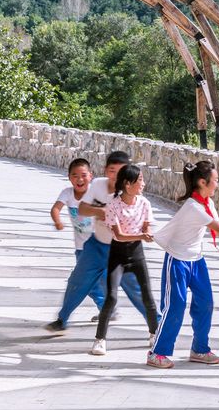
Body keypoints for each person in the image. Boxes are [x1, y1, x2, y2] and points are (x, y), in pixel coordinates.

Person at [148, 159, 219, 369]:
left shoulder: (206, 202)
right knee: (175, 306)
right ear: (202, 182)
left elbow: (218, 227)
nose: (218, 184)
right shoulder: (193, 207)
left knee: (206, 304)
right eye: (215, 180)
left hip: (197, 261)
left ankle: (200, 349)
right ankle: (158, 352)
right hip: (178, 261)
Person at [45, 151, 148, 332]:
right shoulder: (98, 185)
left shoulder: (132, 194)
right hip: (96, 245)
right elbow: (83, 209)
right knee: (77, 282)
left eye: (121, 171)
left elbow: (140, 224)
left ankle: (157, 324)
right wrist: (101, 212)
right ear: (105, 170)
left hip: (123, 249)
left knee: (137, 291)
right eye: (111, 170)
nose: (115, 175)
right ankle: (62, 319)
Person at [90, 164, 159, 356]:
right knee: (111, 297)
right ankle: (100, 340)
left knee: (148, 297)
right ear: (128, 184)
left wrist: (148, 234)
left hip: (137, 254)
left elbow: (147, 227)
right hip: (118, 255)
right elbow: (119, 235)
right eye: (140, 180)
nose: (143, 184)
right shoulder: (113, 205)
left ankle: (154, 334)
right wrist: (141, 236)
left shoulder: (144, 203)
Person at [49, 158, 105, 318]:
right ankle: (106, 308)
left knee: (93, 281)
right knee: (91, 283)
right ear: (69, 177)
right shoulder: (67, 193)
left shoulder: (95, 194)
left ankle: (105, 307)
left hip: (99, 245)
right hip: (81, 249)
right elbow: (55, 209)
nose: (79, 179)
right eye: (75, 175)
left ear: (91, 176)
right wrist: (57, 221)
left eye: (83, 175)